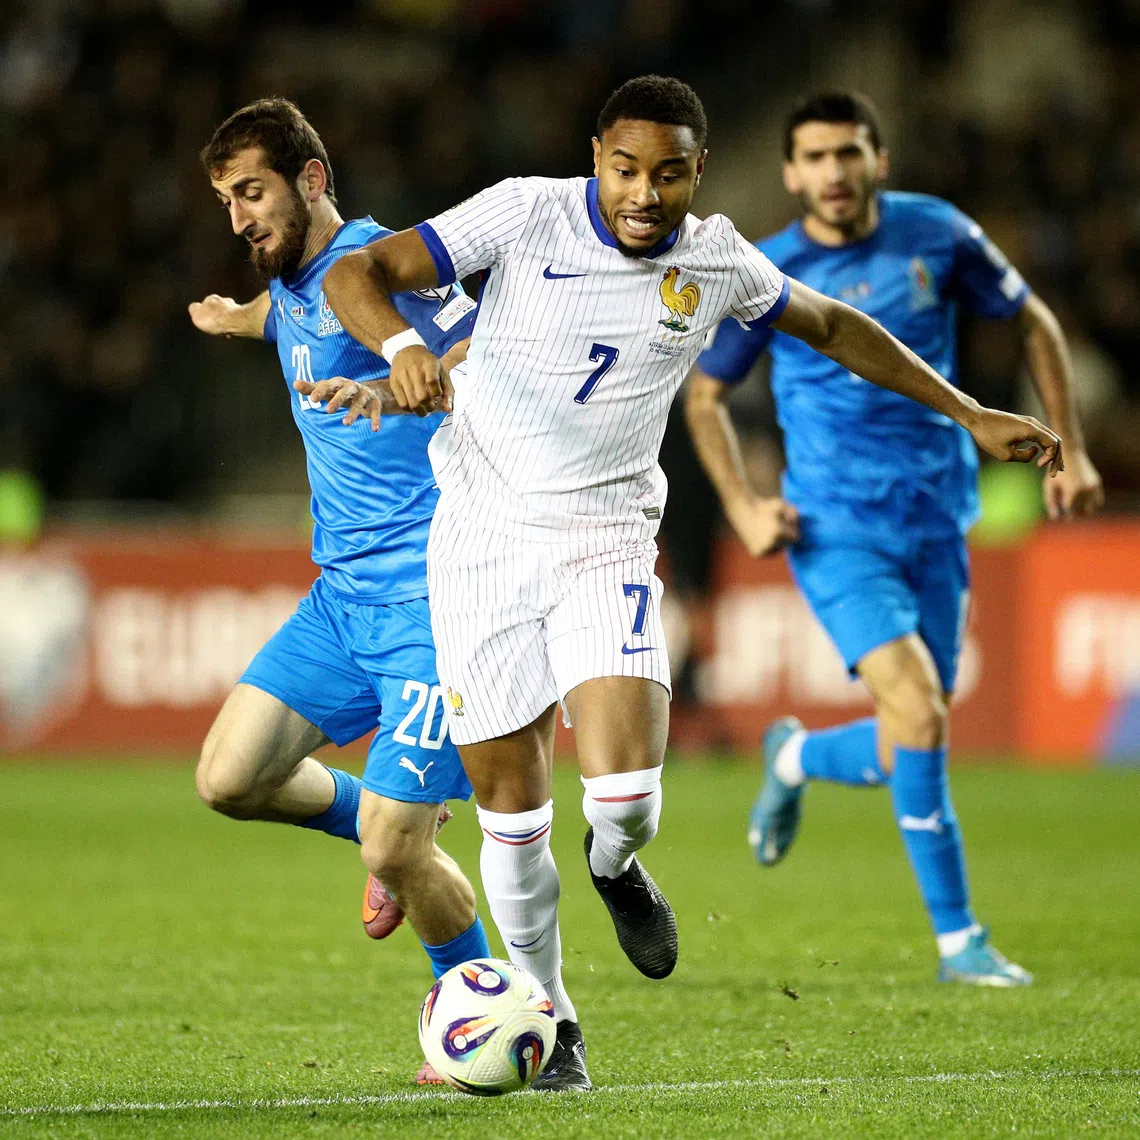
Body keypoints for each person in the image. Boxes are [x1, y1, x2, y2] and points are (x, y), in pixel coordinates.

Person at [316, 75, 1063, 1090]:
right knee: (511, 810)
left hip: (607, 541)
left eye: (668, 175)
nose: (643, 195)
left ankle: (617, 864)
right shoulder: (525, 212)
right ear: (597, 160)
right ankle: (557, 1026)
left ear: (697, 172)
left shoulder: (715, 258)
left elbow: (837, 329)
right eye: (626, 170)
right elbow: (360, 271)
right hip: (481, 544)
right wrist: (401, 345)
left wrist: (970, 412)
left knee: (624, 798)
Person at [686, 91, 1103, 986]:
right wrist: (746, 505)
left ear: (878, 158)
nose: (833, 172)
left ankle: (794, 756)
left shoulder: (938, 234)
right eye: (815, 157)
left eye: (849, 153)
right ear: (791, 172)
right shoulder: (769, 271)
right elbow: (705, 395)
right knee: (919, 709)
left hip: (939, 519)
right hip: (834, 529)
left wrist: (1072, 447)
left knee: (913, 729)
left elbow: (1033, 321)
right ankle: (961, 942)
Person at [189, 98, 491, 1082]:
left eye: (252, 192)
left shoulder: (384, 262)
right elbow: (289, 316)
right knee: (228, 779)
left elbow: (477, 340)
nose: (238, 217)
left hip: (431, 609)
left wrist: (437, 366)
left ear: (310, 180)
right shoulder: (290, 283)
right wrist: (240, 320)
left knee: (395, 849)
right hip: (340, 603)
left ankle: (479, 1014)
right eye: (227, 201)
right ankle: (387, 818)